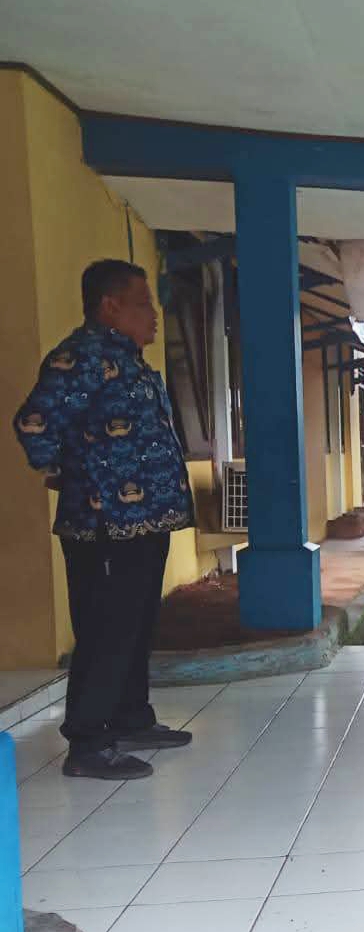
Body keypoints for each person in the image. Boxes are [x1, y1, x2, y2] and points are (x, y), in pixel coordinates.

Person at [13, 260, 197, 780]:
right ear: (110, 306)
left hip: (144, 520)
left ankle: (131, 718)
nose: (154, 315)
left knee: (135, 624)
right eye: (143, 304)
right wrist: (66, 472)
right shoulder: (81, 358)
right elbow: (34, 423)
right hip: (104, 523)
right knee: (106, 628)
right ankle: (89, 742)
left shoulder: (126, 360)